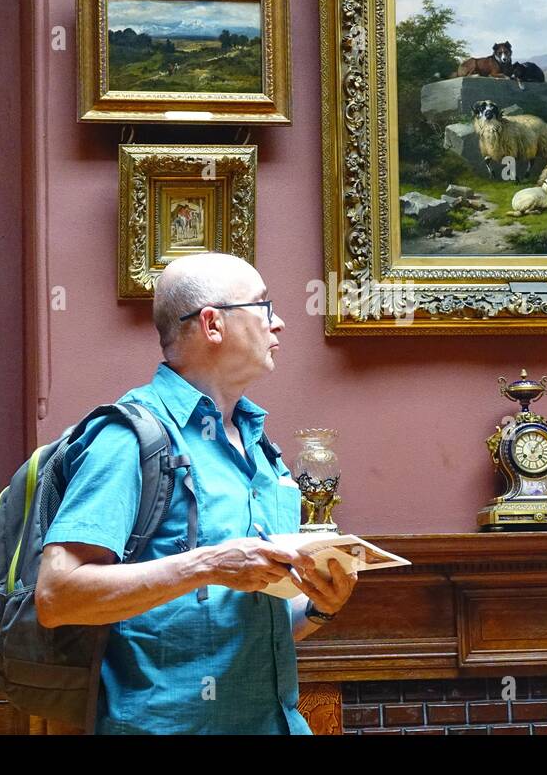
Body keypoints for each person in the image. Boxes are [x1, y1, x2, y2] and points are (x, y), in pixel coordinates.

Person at [35, 253, 357, 734]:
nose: (281, 322)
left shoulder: (260, 448)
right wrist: (207, 564)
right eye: (264, 306)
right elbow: (57, 595)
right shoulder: (130, 438)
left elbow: (254, 625)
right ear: (212, 323)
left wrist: (318, 606)